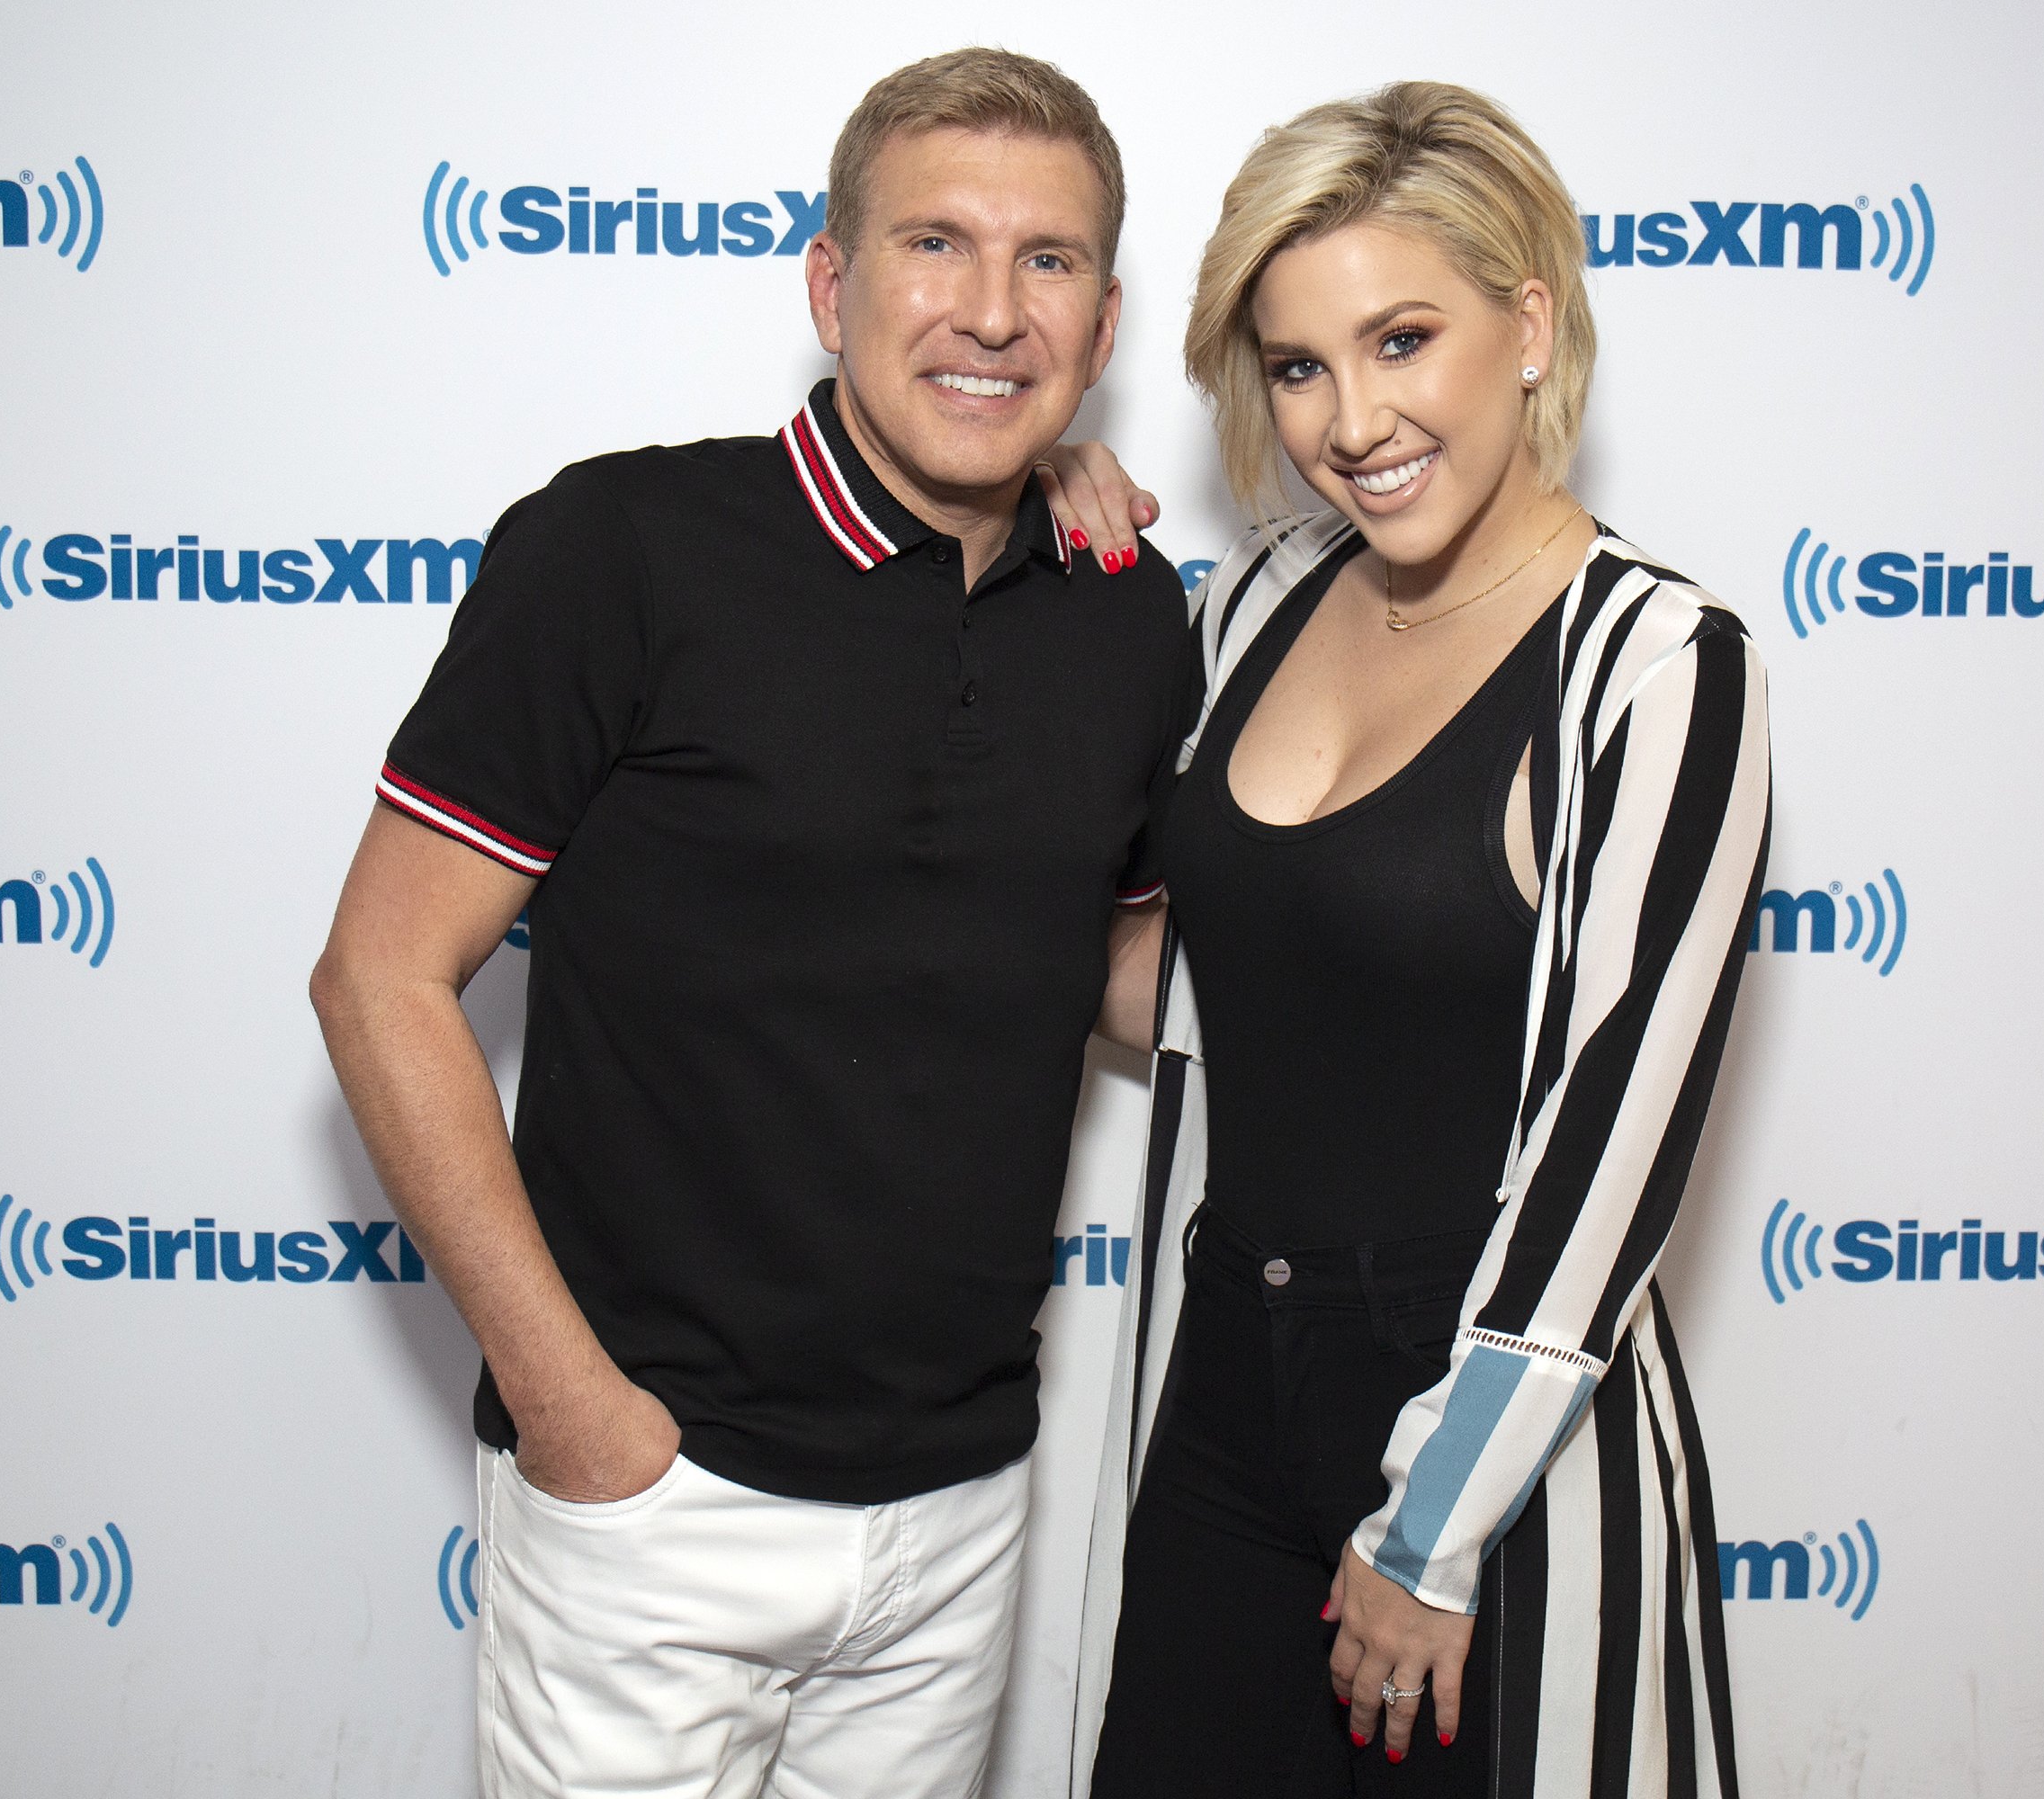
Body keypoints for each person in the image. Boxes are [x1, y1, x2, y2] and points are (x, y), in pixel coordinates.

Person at [307, 49, 1193, 1799]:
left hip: (959, 1506)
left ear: (1101, 329)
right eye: (936, 243)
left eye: (1050, 262)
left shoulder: (1128, 608)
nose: (992, 311)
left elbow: (1117, 978)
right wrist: (574, 1408)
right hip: (653, 1498)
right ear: (830, 281)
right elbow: (381, 976)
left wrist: (1428, 943)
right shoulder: (621, 550)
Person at [1047, 83, 1771, 1797]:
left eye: (1403, 339)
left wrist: (1431, 1530)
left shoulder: (1658, 666)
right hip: (1226, 1377)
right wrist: (1041, 534)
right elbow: (1172, 994)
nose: (1350, 418)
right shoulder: (1257, 605)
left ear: (1529, 324)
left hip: (1486, 1433)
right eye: (1297, 366)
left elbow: (1616, 1142)